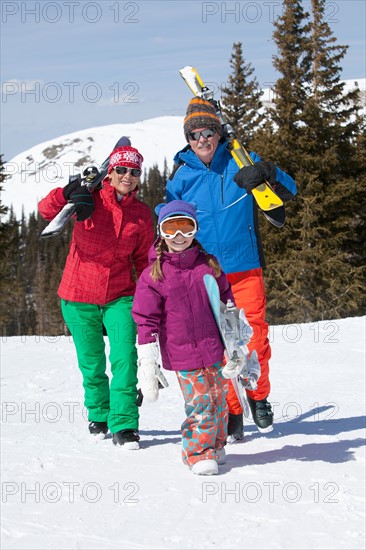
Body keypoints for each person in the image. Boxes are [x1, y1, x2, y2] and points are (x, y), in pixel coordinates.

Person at [166, 97, 297, 439]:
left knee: (254, 336)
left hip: (244, 265)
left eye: (208, 131)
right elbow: (170, 225)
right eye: (194, 135)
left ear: (218, 133)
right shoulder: (181, 178)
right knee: (220, 345)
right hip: (206, 273)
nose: (202, 140)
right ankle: (233, 409)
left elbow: (290, 190)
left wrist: (267, 172)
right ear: (188, 139)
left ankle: (259, 396)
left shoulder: (242, 161)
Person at [38, 144, 154, 449]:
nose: (127, 176)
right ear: (110, 172)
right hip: (78, 294)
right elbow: (45, 210)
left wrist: (148, 298)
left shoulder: (141, 215)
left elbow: (143, 260)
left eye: (133, 171)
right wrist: (68, 192)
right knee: (91, 363)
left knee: (124, 359)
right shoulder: (87, 199)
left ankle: (124, 423)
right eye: (121, 170)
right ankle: (99, 413)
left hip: (120, 295)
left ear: (139, 176)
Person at [131, 200, 244, 474]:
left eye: (186, 227)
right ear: (161, 232)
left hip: (214, 349)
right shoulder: (153, 275)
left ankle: (215, 446)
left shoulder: (208, 266)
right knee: (201, 403)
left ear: (195, 230)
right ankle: (196, 452)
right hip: (183, 354)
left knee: (219, 401)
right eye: (171, 229)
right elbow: (146, 320)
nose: (179, 237)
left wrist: (236, 345)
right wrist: (148, 363)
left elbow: (226, 302)